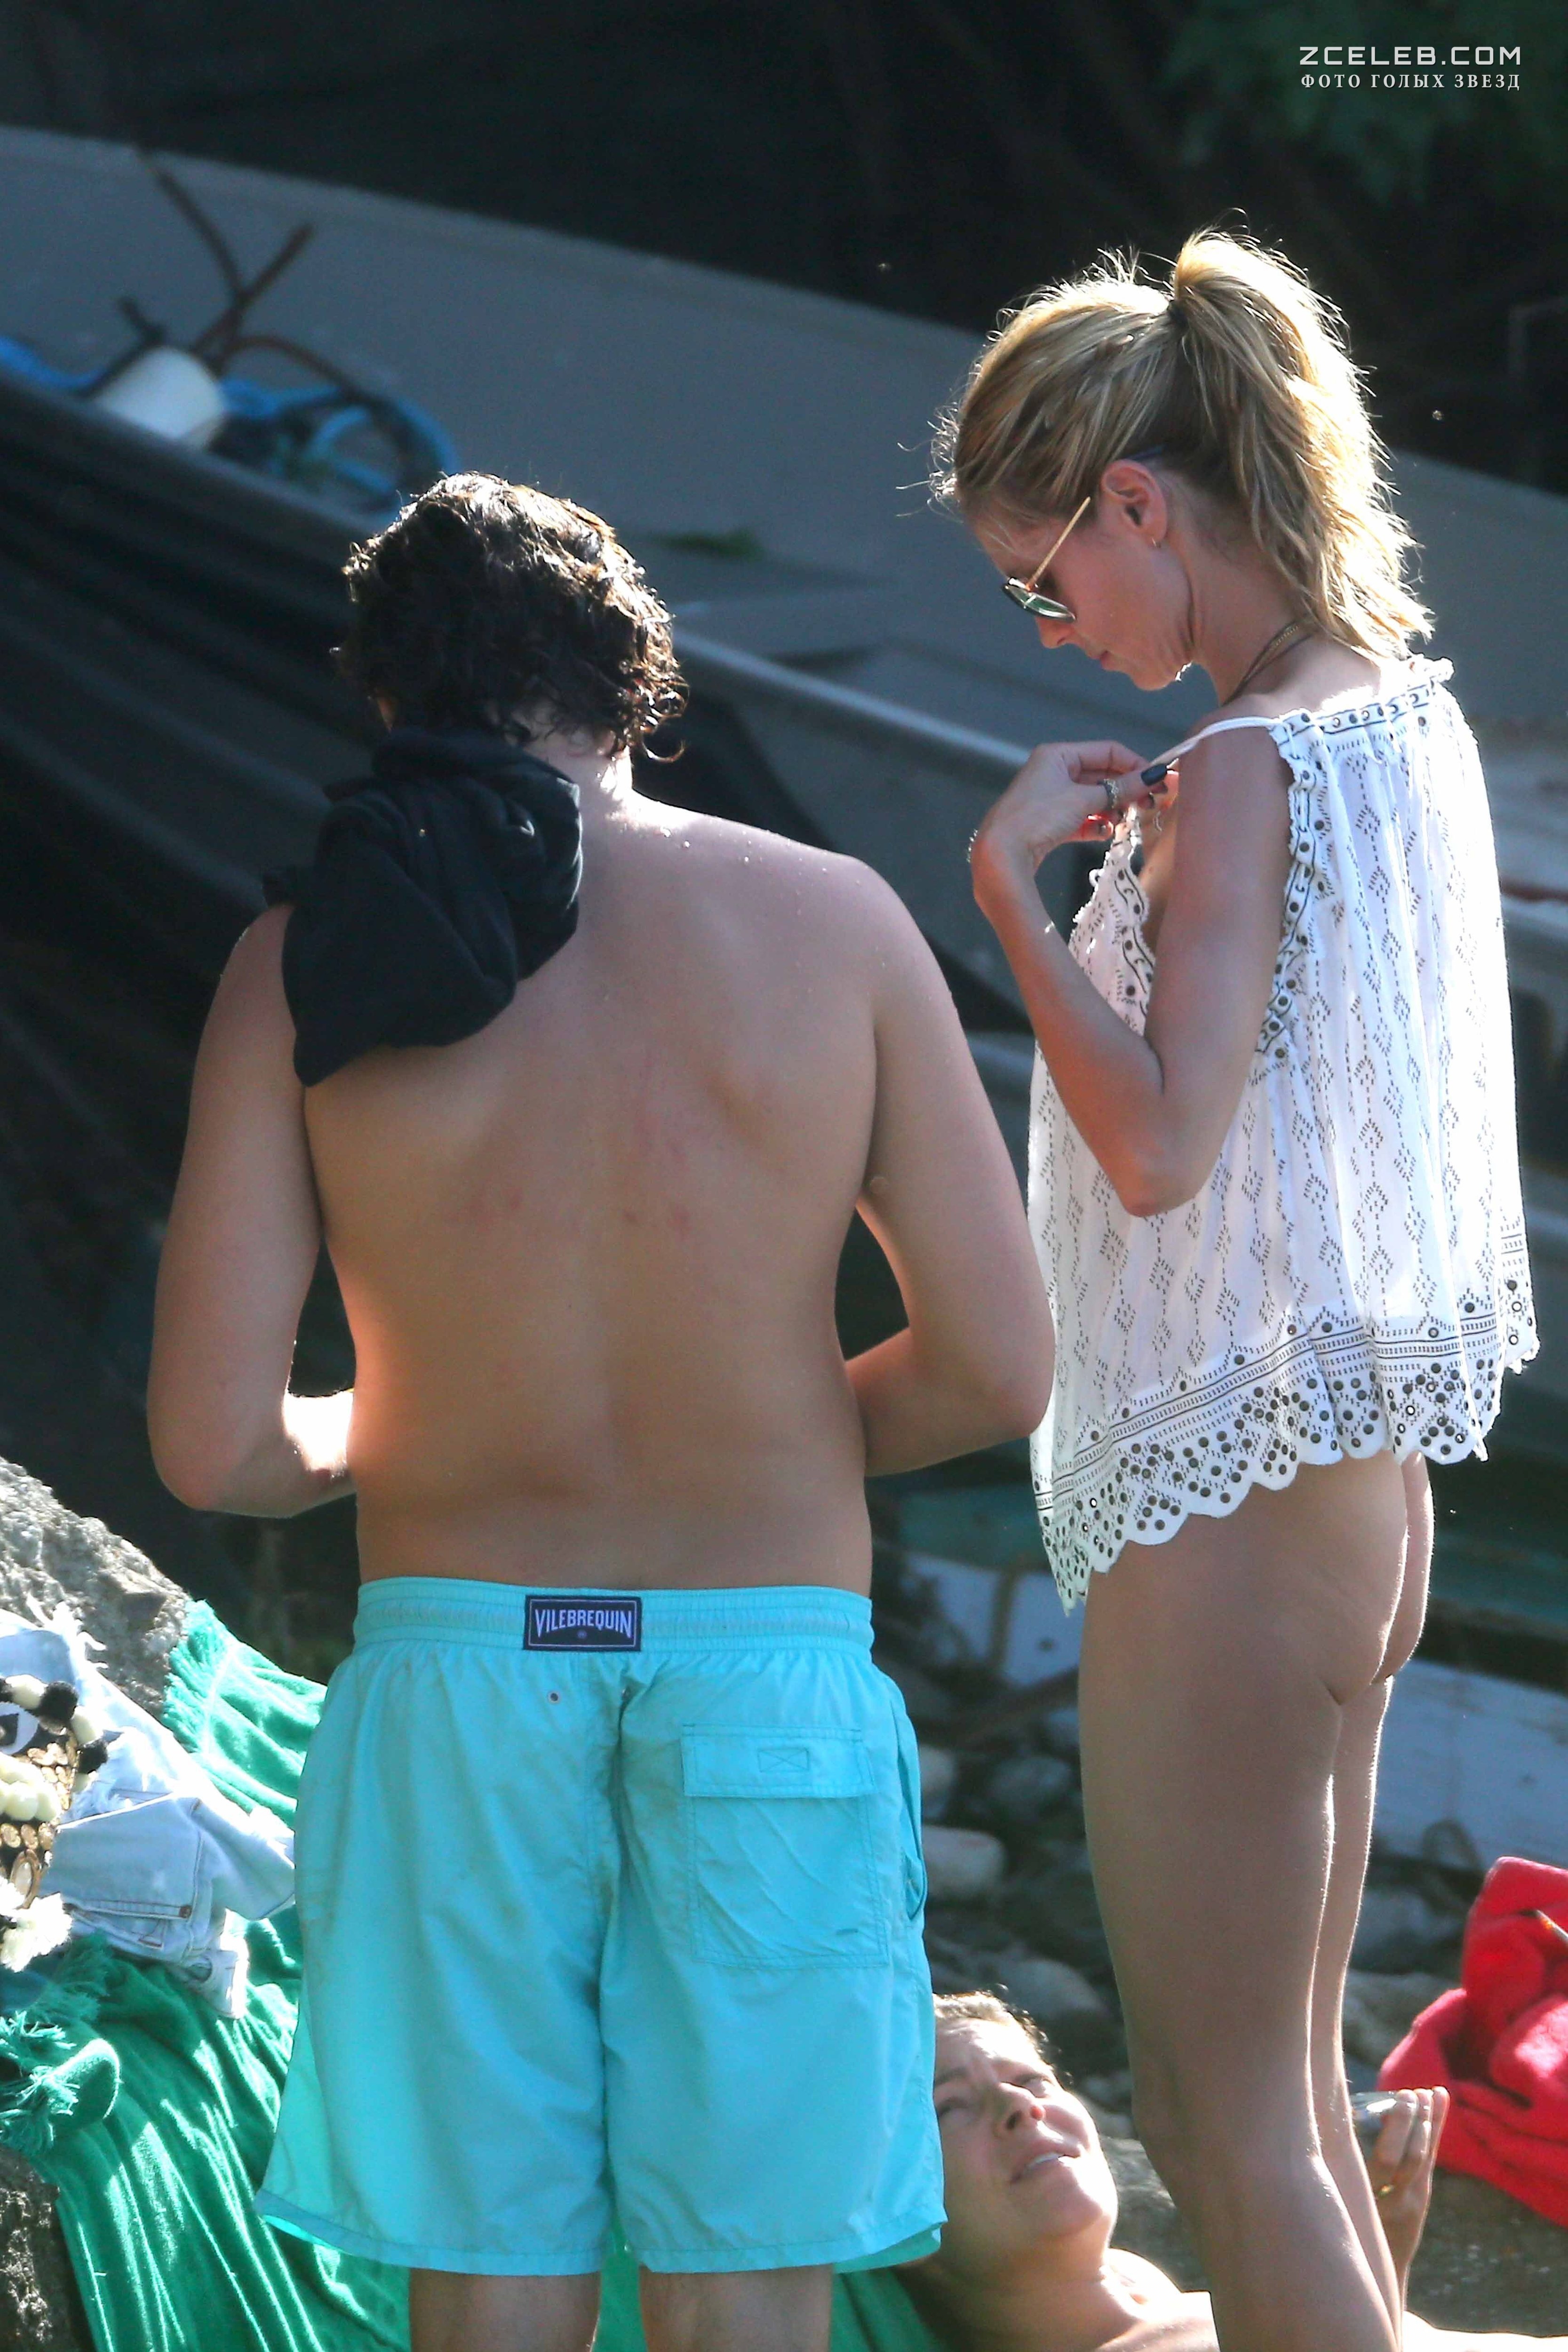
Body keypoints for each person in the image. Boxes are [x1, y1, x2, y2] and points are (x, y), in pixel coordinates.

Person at [147, 473, 1054, 2352]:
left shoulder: (299, 961)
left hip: (463, 1672)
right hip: (759, 1669)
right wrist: (774, 1430)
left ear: (383, 697)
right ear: (641, 680)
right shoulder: (832, 922)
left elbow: (217, 1445)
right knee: (746, 2269)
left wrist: (401, 1422)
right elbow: (992, 1364)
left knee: (491, 2265)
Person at [933, 231, 1536, 2352]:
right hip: (1347, 1477)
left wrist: (1010, 899)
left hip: (1230, 1477)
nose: (1053, 629)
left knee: (1219, 2123)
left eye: (1043, 582)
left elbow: (1161, 1147)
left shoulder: (1249, 764)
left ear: (1135, 501)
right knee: (1280, 2099)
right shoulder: (1399, 710)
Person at [907, 1994, 1567, 2352]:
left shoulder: (1141, 2292)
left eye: (1033, 2081)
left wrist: (1372, 2249)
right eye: (949, 2107)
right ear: (894, 2221)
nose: (1019, 2107)